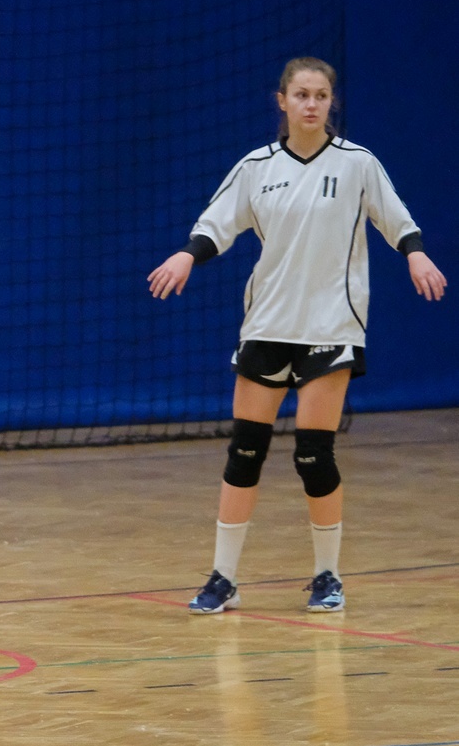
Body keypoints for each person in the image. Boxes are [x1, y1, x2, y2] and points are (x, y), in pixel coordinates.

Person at [148, 57, 445, 614]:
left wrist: (416, 254)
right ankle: (223, 578)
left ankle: (328, 576)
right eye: (302, 94)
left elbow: (397, 219)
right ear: (282, 101)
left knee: (313, 455)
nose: (312, 104)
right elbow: (216, 224)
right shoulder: (256, 167)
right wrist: (187, 255)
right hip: (268, 324)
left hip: (332, 325)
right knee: (245, 452)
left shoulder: (357, 164)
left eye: (321, 95)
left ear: (332, 103)